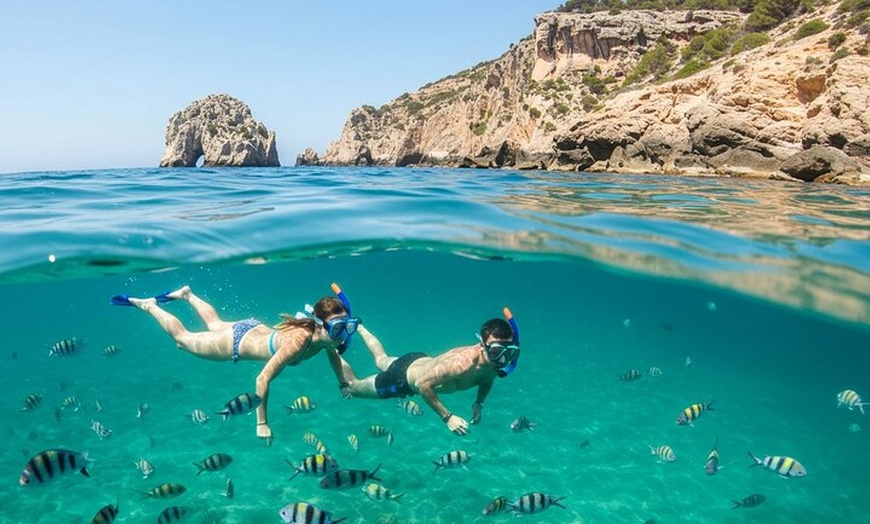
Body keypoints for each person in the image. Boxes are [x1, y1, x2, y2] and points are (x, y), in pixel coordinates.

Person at [110, 284, 360, 444]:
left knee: (215, 324)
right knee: (183, 340)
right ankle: (149, 306)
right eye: (338, 327)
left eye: (348, 327)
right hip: (238, 341)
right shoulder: (299, 341)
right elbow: (262, 378)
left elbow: (332, 353)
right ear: (319, 324)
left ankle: (188, 295)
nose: (342, 334)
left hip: (254, 328)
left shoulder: (324, 338)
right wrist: (262, 422)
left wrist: (342, 382)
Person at [338, 310, 521, 435]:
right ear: (483, 345)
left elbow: (487, 378)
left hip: (416, 361)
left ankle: (359, 327)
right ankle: (330, 347)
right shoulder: (461, 364)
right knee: (352, 389)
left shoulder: (494, 362)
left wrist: (479, 403)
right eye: (498, 352)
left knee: (381, 359)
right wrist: (447, 417)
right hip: (402, 380)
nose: (504, 359)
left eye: (510, 352)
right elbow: (422, 384)